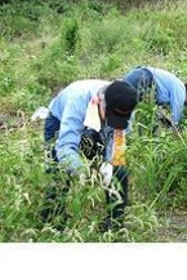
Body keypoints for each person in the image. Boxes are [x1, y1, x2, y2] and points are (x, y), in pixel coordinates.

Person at [41, 79, 138, 230]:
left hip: (96, 122)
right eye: (112, 117)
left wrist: (109, 163)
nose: (114, 123)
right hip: (59, 121)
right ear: (101, 102)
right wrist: (83, 172)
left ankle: (115, 223)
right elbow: (66, 146)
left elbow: (118, 141)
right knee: (59, 172)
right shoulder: (78, 101)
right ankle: (52, 222)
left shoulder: (125, 104)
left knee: (118, 172)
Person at [122, 66, 187, 129]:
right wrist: (176, 129)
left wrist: (165, 121)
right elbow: (176, 116)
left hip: (138, 75)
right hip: (144, 78)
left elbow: (156, 110)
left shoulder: (172, 88)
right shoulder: (181, 91)